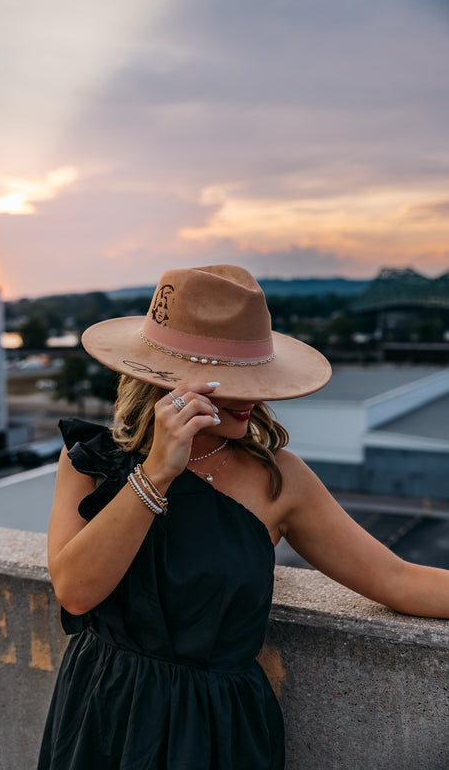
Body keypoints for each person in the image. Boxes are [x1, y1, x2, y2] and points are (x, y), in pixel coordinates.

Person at [38, 264, 449, 770]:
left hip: (217, 730)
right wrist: (156, 474)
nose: (252, 396)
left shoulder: (280, 478)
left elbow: (397, 578)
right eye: (229, 379)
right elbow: (75, 590)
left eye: (254, 376)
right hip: (105, 714)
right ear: (161, 380)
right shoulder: (91, 460)